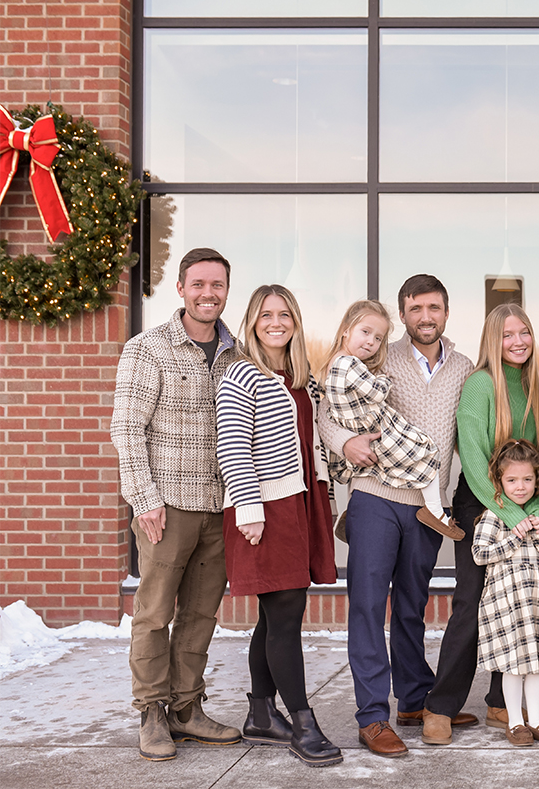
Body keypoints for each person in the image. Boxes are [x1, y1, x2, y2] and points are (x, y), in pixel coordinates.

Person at [316, 275, 475, 758]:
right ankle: (372, 716)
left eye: (434, 308)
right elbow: (328, 407)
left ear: (446, 312)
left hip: (428, 506)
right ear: (403, 315)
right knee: (367, 605)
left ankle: (413, 698)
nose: (425, 317)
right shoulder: (380, 358)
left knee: (412, 605)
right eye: (415, 309)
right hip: (374, 498)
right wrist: (345, 443)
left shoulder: (465, 368)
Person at [110, 247, 242, 761]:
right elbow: (126, 429)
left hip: (220, 504)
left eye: (217, 285)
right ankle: (152, 713)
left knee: (201, 614)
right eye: (199, 284)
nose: (208, 293)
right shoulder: (149, 349)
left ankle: (187, 709)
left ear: (226, 290)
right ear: (181, 289)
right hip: (167, 506)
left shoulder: (235, 353)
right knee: (154, 612)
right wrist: (144, 499)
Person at [215, 285, 341, 767]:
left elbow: (313, 447)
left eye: (284, 314)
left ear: (295, 321)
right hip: (264, 510)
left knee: (274, 615)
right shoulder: (240, 375)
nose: (275, 322)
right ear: (251, 322)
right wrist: (248, 510)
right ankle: (303, 723)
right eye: (266, 314)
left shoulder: (301, 380)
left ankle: (261, 714)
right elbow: (232, 447)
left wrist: (325, 495)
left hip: (301, 506)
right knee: (286, 617)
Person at [425, 303, 539, 738]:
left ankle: (502, 702)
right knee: (472, 602)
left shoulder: (537, 384)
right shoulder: (481, 384)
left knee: (514, 604)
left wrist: (537, 508)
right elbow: (477, 462)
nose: (518, 342)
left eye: (525, 333)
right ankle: (440, 707)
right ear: (492, 340)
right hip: (481, 503)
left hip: (522, 502)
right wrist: (513, 512)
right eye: (507, 335)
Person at [319, 300, 463, 541]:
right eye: (365, 332)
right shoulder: (349, 363)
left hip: (368, 427)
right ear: (346, 329)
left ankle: (355, 516)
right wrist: (385, 380)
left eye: (378, 339)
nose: (371, 342)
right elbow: (371, 394)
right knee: (427, 452)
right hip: (374, 428)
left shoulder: (343, 363)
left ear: (447, 313)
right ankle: (434, 512)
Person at [472, 439, 539, 747]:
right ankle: (514, 721)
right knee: (513, 665)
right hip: (505, 603)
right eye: (512, 480)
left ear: (537, 480)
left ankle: (536, 720)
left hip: (535, 602)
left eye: (527, 479)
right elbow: (479, 554)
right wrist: (514, 537)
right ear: (499, 481)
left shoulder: (536, 516)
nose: (521, 487)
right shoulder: (494, 515)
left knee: (536, 664)